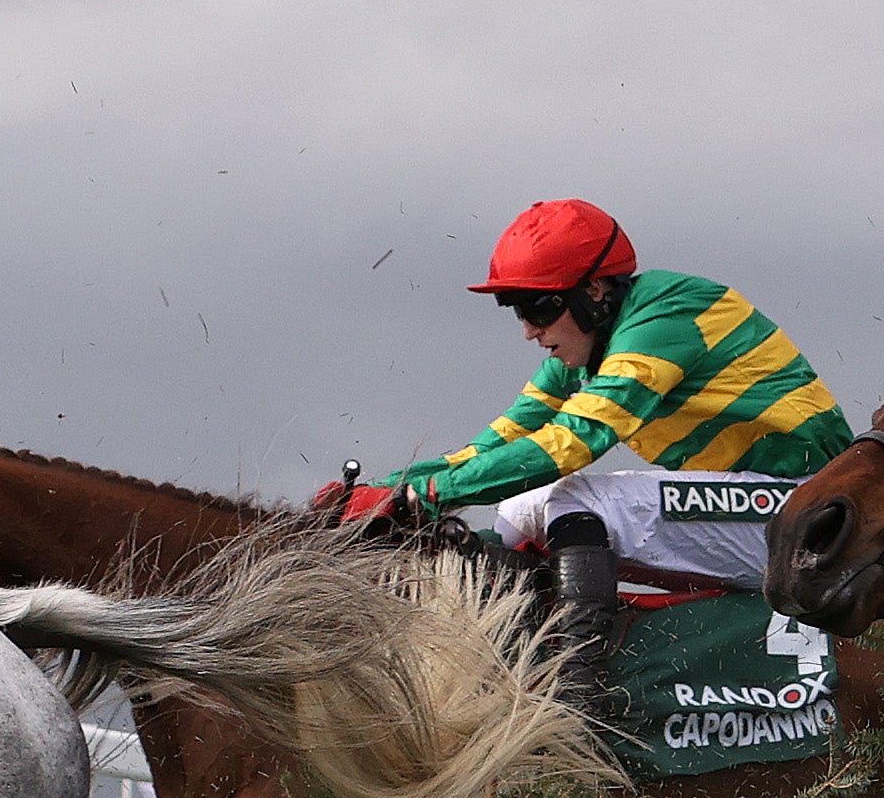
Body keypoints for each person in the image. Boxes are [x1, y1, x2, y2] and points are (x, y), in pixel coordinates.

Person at [358, 198, 847, 608]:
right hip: (755, 504)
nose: (529, 330)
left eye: (537, 308)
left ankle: (577, 680)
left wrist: (433, 495)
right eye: (516, 310)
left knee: (578, 500)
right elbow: (498, 442)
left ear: (594, 290)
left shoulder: (665, 316)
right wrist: (384, 490)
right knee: (520, 508)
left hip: (810, 513)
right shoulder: (593, 346)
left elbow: (570, 445)